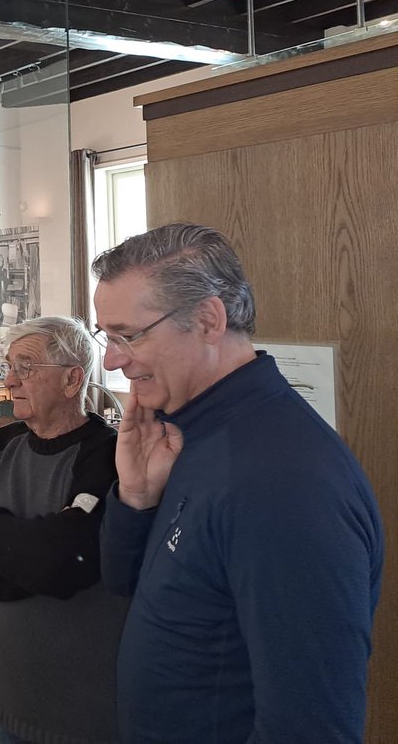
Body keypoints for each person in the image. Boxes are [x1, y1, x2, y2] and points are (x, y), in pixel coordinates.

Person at [91, 223, 383, 743]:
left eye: (127, 335)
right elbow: (130, 587)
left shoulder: (285, 480)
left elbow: (311, 726)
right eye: (105, 337)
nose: (111, 358)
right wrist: (135, 499)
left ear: (207, 320)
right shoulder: (188, 432)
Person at [0, 316, 126, 744]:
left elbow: (66, 562)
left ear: (71, 380)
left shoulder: (107, 456)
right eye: (9, 367)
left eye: (25, 367)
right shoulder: (4, 443)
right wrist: (25, 561)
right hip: (12, 696)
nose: (10, 381)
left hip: (84, 709)